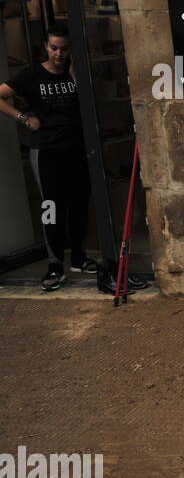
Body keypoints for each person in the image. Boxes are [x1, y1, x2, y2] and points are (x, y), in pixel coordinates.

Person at [0, 23, 100, 291]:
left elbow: (89, 105)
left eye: (64, 49)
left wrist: (76, 74)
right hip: (46, 151)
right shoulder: (31, 75)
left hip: (76, 148)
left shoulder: (74, 73)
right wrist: (23, 118)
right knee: (51, 209)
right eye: (54, 48)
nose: (58, 53)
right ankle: (55, 265)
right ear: (45, 46)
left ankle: (79, 258)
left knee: (79, 205)